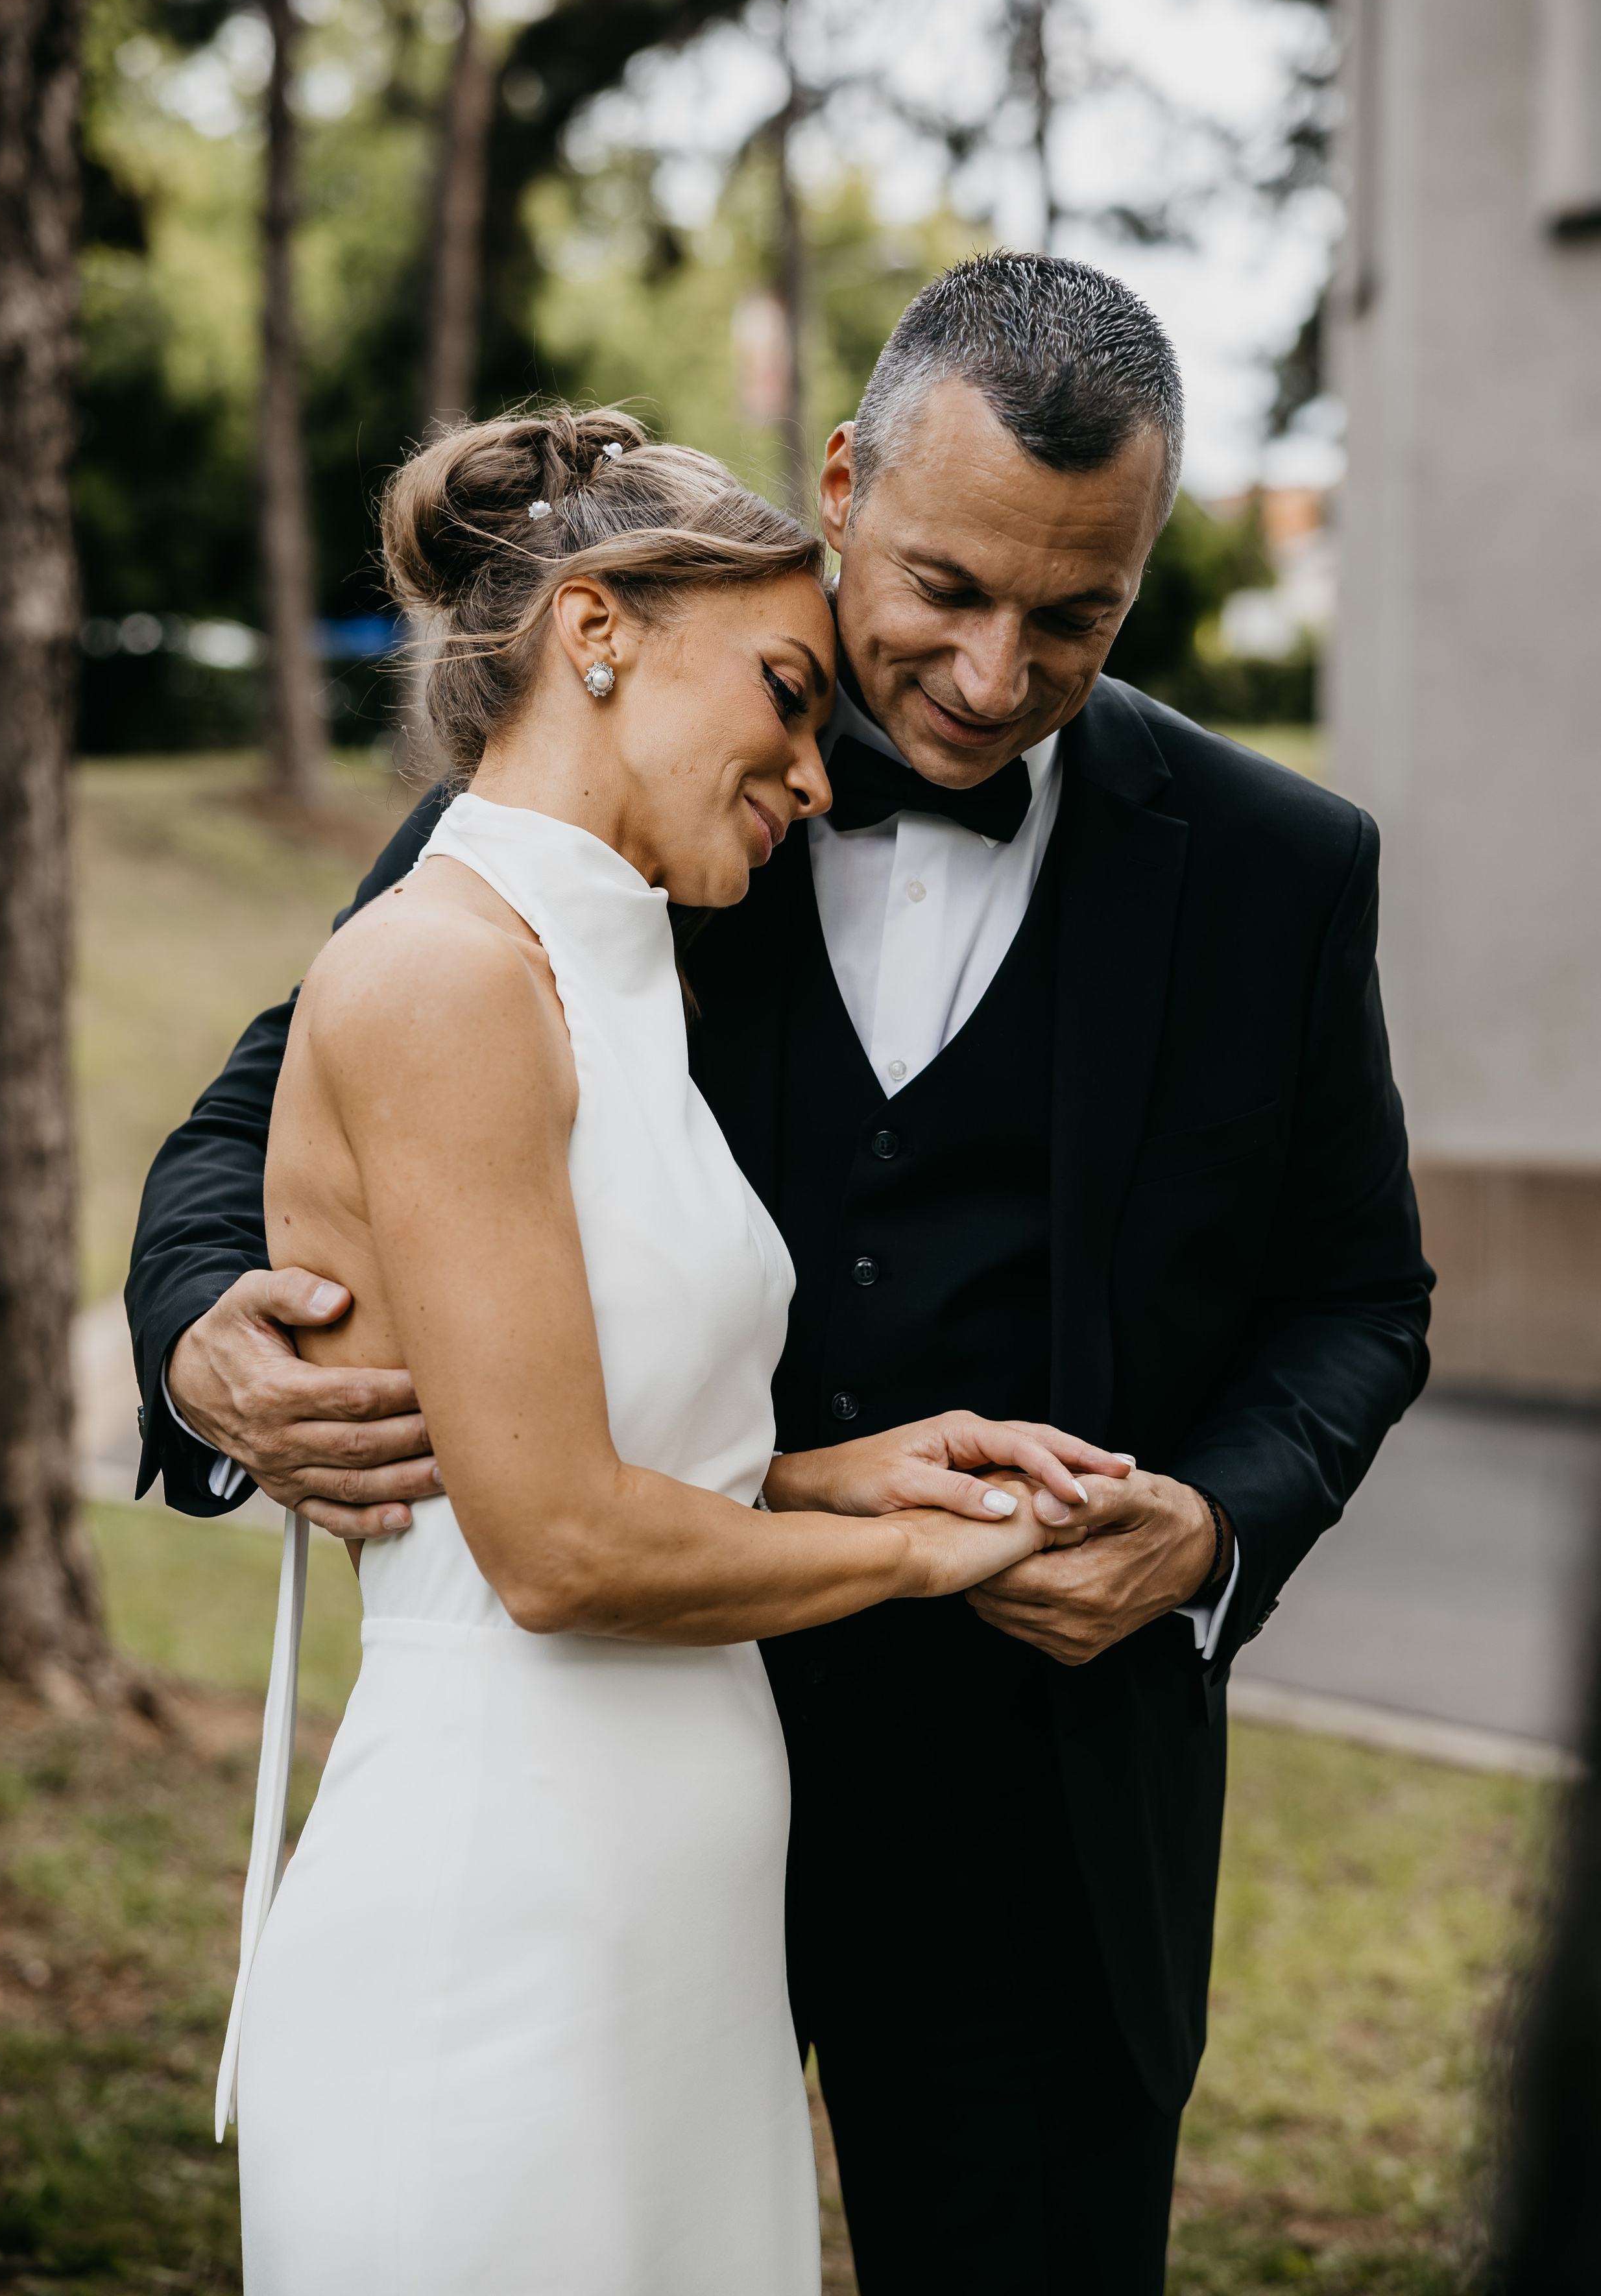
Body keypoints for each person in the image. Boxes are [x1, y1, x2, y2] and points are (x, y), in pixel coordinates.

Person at [128, 254, 1433, 2295]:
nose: (995, 676)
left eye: (1075, 614)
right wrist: (209, 1346)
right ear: (844, 482)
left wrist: (1209, 1538)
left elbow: (1362, 1295)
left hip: (1041, 1831)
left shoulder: (1279, 870)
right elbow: (257, 1122)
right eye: (945, 589)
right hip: (602, 1786)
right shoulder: (628, 726)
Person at [208, 410, 1121, 2295]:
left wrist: (831, 1472)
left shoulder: (619, 979)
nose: (814, 768)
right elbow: (550, 1552)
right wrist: (925, 1553)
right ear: (599, 629)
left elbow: (569, 1447)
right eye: (790, 698)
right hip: (497, 1953)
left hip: (674, 1959)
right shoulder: (445, 970)